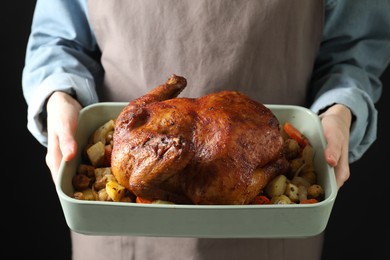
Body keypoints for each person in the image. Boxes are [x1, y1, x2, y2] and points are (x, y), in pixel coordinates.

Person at [22, 0, 390, 259]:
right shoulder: (124, 150)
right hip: (121, 237)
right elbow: (58, 41)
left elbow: (354, 48)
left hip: (272, 236)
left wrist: (339, 112)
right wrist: (60, 98)